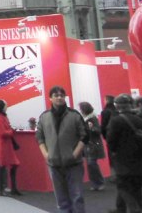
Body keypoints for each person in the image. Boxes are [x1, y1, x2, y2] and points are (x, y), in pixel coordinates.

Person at [106, 93, 142, 213]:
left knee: (125, 188)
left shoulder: (116, 121)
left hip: (125, 162)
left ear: (118, 106)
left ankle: (135, 209)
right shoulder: (141, 119)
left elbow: (111, 142)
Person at [35, 85, 87, 213]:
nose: (59, 98)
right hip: (54, 164)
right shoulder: (44, 117)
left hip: (73, 164)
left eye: (61, 95)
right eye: (56, 95)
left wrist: (74, 154)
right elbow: (39, 137)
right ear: (50, 98)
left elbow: (85, 136)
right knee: (61, 200)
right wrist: (46, 154)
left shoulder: (75, 115)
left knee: (77, 197)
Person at [0, 99, 21, 197]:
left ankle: (6, 187)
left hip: (4, 143)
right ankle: (1, 188)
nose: (7, 107)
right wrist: (11, 131)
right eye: (5, 105)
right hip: (2, 143)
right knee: (2, 165)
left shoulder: (1, 117)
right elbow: (2, 133)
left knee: (7, 164)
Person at [78, 101, 105, 191]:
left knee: (91, 164)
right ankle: (95, 183)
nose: (80, 110)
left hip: (93, 144)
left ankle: (99, 182)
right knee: (90, 165)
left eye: (81, 109)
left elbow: (98, 131)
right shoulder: (85, 119)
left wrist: (91, 128)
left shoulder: (92, 118)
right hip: (88, 144)